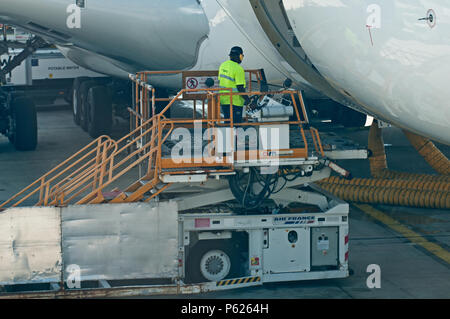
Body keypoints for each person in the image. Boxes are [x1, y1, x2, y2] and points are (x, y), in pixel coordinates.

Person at [219, 46, 250, 124]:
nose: (241, 58)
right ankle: (234, 136)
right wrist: (248, 99)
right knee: (236, 125)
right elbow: (240, 88)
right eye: (242, 56)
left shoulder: (223, 65)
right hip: (235, 102)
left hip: (223, 100)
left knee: (228, 124)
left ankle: (228, 136)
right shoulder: (238, 68)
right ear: (238, 55)